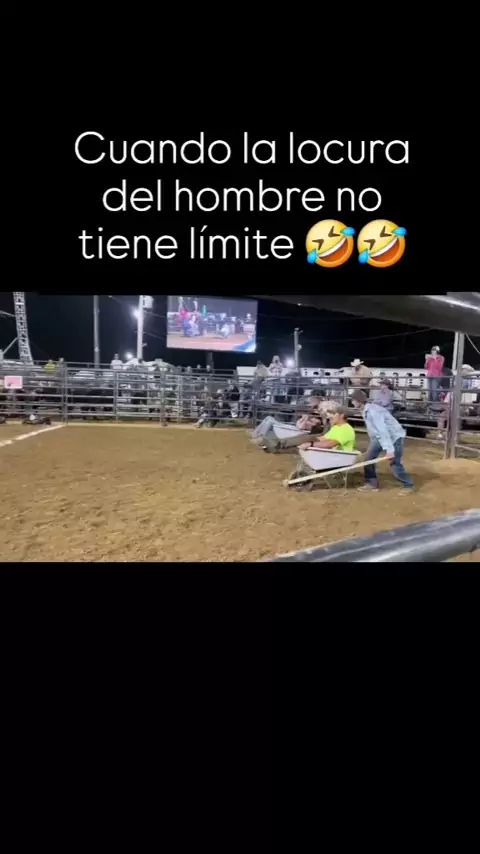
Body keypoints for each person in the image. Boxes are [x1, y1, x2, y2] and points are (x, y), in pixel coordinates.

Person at [351, 389, 414, 493]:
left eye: (353, 400)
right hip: (379, 437)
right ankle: (372, 484)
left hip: (394, 437)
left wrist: (389, 450)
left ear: (359, 401)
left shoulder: (373, 411)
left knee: (394, 463)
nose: (352, 402)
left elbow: (382, 430)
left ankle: (408, 485)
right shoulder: (366, 410)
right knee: (368, 459)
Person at [251, 395, 328, 452]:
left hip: (296, 431)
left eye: (313, 406)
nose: (311, 408)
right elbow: (299, 424)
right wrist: (305, 418)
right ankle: (257, 434)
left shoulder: (317, 418)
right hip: (294, 429)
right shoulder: (313, 415)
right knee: (269, 418)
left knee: (269, 419)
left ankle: (258, 436)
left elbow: (300, 427)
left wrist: (306, 419)